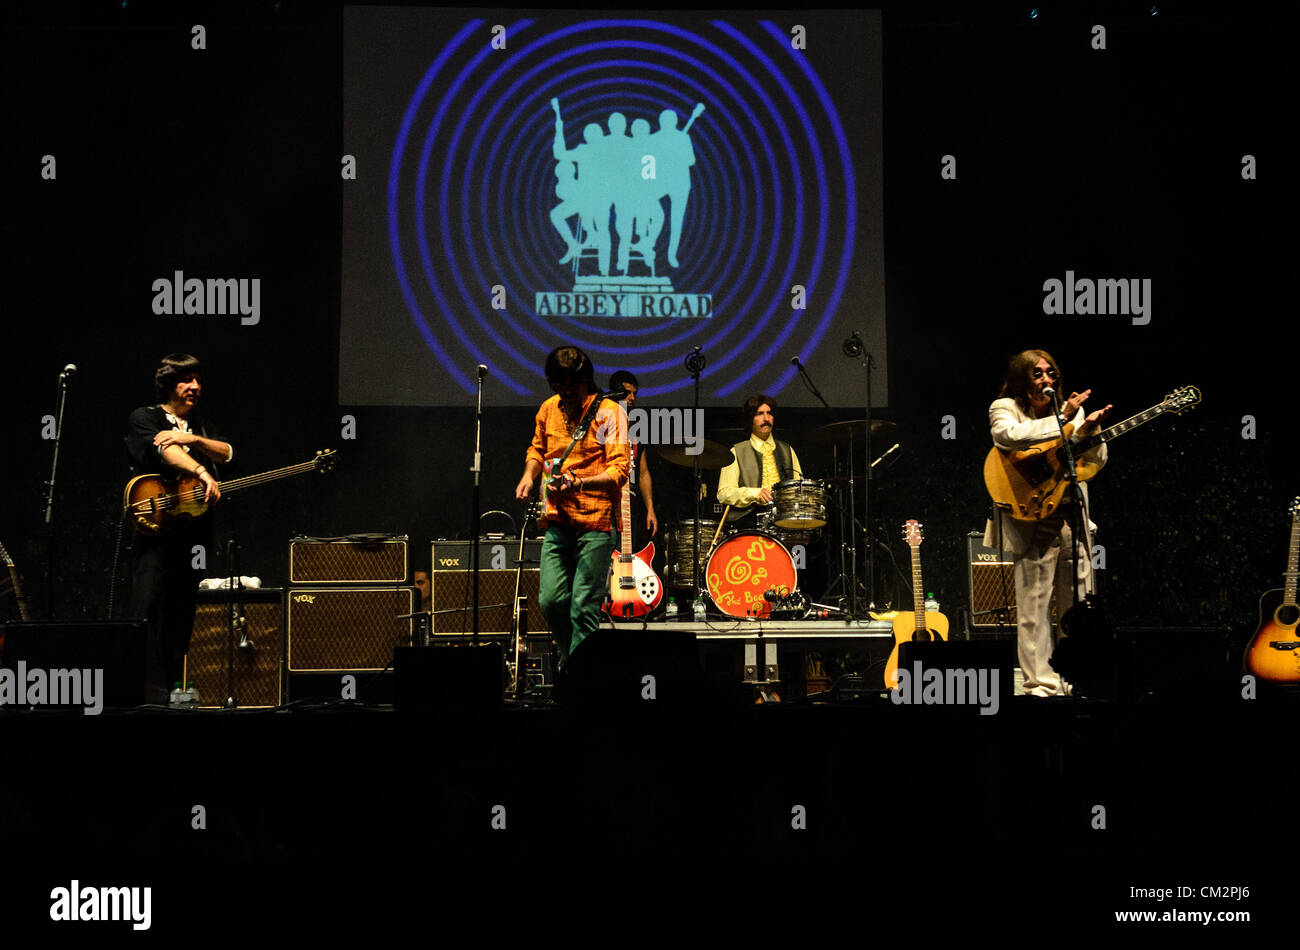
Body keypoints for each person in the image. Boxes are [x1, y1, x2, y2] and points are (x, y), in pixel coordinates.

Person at [983, 349, 1112, 697]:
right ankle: (1041, 682)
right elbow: (1008, 437)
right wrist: (1064, 419)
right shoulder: (1004, 408)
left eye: (1051, 373)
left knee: (1080, 605)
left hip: (1072, 517)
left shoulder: (1071, 410)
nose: (1047, 379)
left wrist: (1090, 431)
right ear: (1023, 379)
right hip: (1031, 518)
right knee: (1034, 608)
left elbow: (1095, 462)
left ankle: (1078, 678)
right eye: (1038, 374)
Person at [125, 354, 234, 703]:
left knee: (182, 611)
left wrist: (195, 441)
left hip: (193, 535)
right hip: (155, 531)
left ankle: (173, 688)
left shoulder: (200, 425)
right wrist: (199, 471)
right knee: (148, 604)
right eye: (187, 380)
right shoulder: (146, 417)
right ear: (169, 383)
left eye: (199, 380)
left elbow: (227, 453)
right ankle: (136, 689)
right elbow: (164, 450)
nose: (196, 387)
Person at [515, 346, 629, 666]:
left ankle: (581, 678)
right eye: (558, 386)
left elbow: (619, 471)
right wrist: (528, 475)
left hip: (596, 523)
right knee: (551, 601)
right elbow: (537, 450)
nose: (565, 393)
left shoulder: (609, 413)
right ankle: (576, 664)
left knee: (583, 608)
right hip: (557, 521)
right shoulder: (548, 409)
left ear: (586, 381)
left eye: (572, 387)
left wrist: (578, 483)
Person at [716, 395, 804, 531]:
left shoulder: (787, 450)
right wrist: (755, 494)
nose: (766, 419)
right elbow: (724, 493)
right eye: (760, 414)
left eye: (769, 413)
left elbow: (800, 488)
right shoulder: (737, 451)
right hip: (748, 522)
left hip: (784, 522)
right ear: (750, 419)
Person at [608, 370, 659, 544]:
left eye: (634, 394)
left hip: (631, 504)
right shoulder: (602, 422)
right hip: (606, 504)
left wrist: (650, 509)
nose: (631, 398)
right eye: (627, 393)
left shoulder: (636, 426)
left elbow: (643, 472)